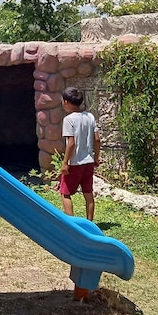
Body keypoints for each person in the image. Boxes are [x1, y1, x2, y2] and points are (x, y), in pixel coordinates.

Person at [59, 87, 101, 221]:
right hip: (88, 162)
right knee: (88, 192)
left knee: (65, 193)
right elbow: (97, 139)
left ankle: (71, 224)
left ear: (66, 102)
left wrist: (65, 163)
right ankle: (90, 223)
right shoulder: (90, 116)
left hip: (75, 163)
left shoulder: (68, 119)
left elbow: (71, 143)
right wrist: (96, 158)